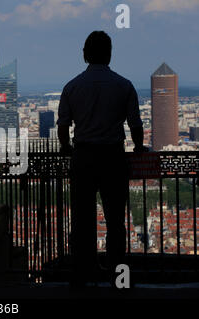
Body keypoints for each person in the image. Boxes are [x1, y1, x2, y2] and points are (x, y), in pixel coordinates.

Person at [57, 31, 147, 288]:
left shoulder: (72, 87)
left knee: (82, 219)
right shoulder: (124, 85)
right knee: (116, 220)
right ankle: (118, 277)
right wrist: (139, 146)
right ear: (109, 54)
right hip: (113, 157)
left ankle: (83, 274)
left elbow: (63, 127)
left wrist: (66, 147)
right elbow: (135, 125)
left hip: (83, 156)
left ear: (85, 54)